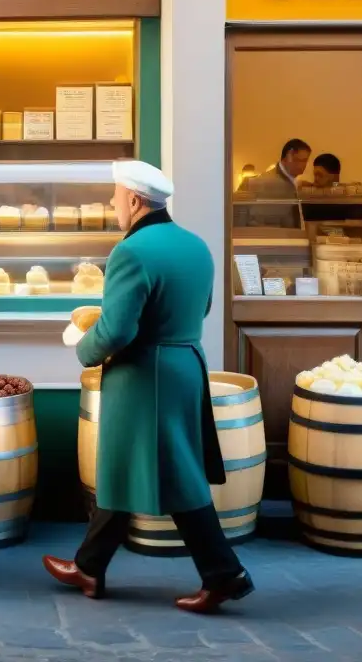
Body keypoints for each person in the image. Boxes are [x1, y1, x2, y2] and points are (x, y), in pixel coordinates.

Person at [43, 160, 254, 614]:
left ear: (135, 200)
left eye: (116, 197)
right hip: (184, 365)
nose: (114, 205)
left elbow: (117, 330)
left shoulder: (131, 251)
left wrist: (84, 347)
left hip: (144, 375)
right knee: (126, 469)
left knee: (173, 473)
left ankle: (225, 574)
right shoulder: (196, 246)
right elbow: (202, 309)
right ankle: (90, 565)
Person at [236, 139, 310, 228]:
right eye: (303, 160)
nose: (305, 165)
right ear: (289, 156)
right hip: (268, 238)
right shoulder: (260, 183)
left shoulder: (294, 183)